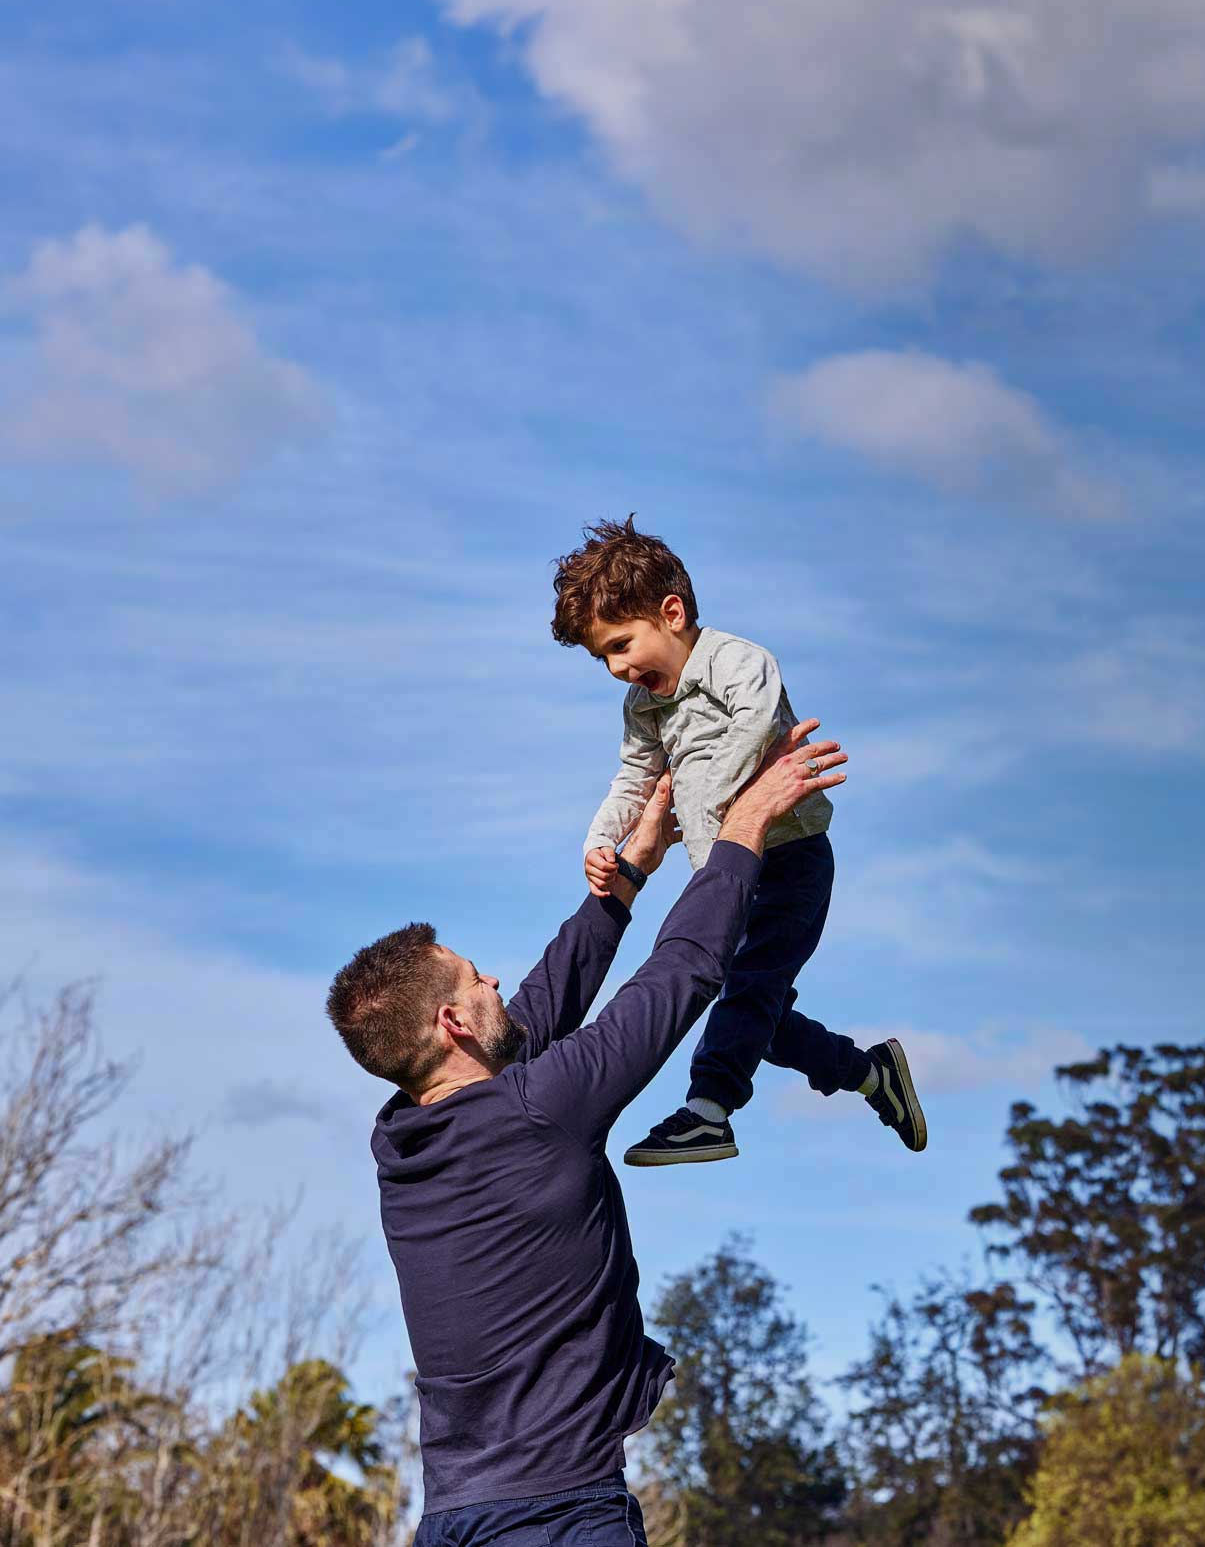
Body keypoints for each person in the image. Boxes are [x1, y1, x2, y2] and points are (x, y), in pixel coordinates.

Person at [326, 724, 838, 1543]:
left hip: (453, 1518)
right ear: (453, 1021)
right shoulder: (539, 1111)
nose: (496, 977)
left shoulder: (400, 1139)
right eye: (475, 975)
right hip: (559, 1516)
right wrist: (745, 825)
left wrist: (627, 873)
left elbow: (534, 1010)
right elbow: (683, 972)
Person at [549, 514, 924, 1163]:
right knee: (756, 1012)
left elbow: (756, 724)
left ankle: (708, 1109)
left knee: (747, 993)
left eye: (620, 643)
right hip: (726, 873)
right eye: (602, 656)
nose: (615, 667)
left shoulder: (736, 661)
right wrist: (600, 841)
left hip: (789, 858)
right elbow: (634, 775)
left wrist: (721, 804)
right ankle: (870, 1072)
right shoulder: (643, 705)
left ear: (670, 612)